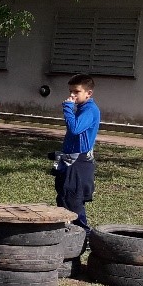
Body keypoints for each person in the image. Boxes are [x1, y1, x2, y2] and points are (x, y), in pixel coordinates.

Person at [55, 73, 101, 232]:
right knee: (64, 197)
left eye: (76, 92)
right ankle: (66, 231)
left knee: (73, 200)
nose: (72, 95)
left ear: (89, 93)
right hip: (70, 158)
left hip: (79, 161)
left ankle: (83, 234)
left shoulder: (89, 110)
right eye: (70, 92)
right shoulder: (81, 108)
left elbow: (75, 129)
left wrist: (67, 108)